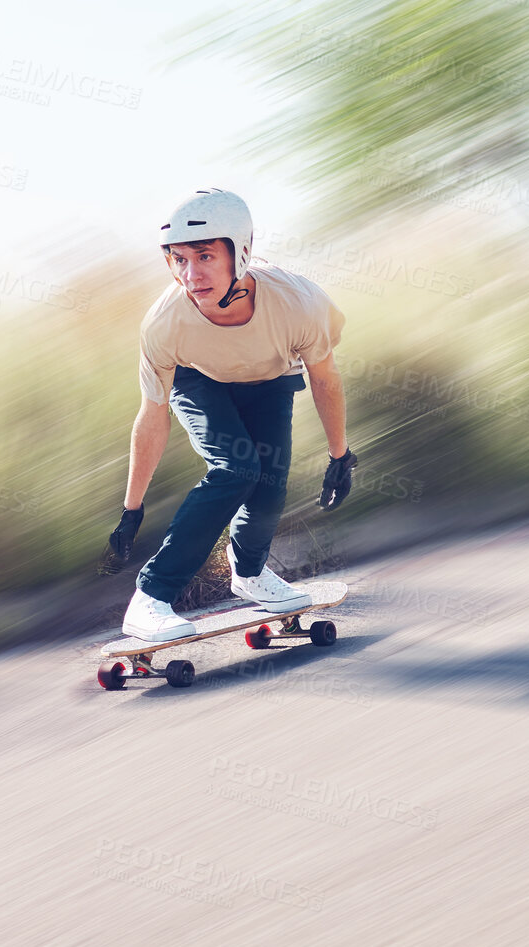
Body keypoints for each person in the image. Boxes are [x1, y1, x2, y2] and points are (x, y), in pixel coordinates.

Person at [100, 188, 357, 641]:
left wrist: (340, 455)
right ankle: (150, 598)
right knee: (236, 469)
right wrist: (132, 508)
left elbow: (325, 379)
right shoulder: (164, 324)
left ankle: (250, 573)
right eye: (179, 259)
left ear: (239, 253)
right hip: (198, 379)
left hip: (270, 376)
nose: (191, 274)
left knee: (271, 478)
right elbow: (152, 416)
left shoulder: (299, 304)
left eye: (204, 257)